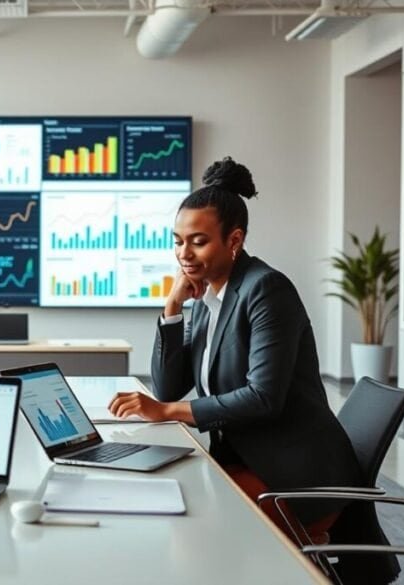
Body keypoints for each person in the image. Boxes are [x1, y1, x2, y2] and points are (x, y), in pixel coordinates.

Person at [108, 157, 363, 532]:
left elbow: (263, 397)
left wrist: (167, 411)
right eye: (178, 242)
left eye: (198, 242)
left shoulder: (265, 290)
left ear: (234, 240)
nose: (184, 253)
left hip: (297, 478)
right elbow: (167, 387)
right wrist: (173, 306)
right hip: (245, 459)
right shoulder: (209, 298)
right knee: (170, 507)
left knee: (193, 526)